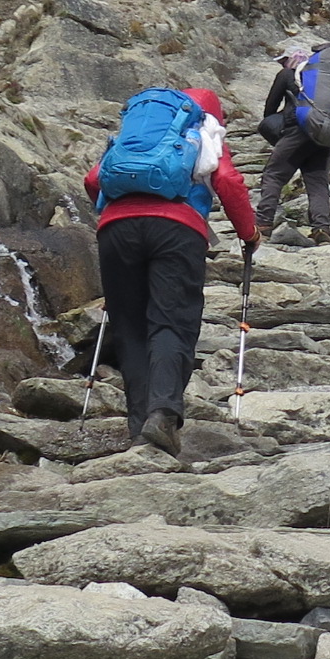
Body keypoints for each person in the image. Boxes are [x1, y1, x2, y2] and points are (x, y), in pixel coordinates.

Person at [83, 85, 258, 453]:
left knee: (129, 328)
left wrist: (118, 216)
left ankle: (138, 432)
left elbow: (92, 180)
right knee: (171, 321)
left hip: (116, 231)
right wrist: (249, 233)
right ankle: (161, 415)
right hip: (177, 231)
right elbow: (227, 181)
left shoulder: (136, 136)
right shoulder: (202, 130)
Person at [256, 39, 330, 241]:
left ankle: (263, 223)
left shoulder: (286, 74)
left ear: (290, 60)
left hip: (298, 131)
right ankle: (321, 228)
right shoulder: (324, 80)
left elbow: (269, 109)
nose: (282, 64)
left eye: (283, 60)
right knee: (317, 182)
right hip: (325, 133)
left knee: (274, 174)